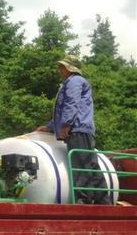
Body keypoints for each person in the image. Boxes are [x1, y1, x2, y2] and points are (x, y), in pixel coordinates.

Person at [36, 55, 111, 204]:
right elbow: (68, 109)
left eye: (62, 67)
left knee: (80, 166)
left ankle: (83, 201)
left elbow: (71, 104)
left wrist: (65, 125)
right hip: (83, 129)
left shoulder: (74, 82)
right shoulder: (77, 82)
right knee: (91, 165)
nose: (60, 70)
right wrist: (50, 127)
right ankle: (104, 200)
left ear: (70, 68)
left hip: (76, 129)